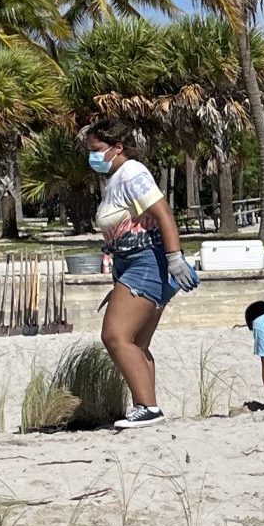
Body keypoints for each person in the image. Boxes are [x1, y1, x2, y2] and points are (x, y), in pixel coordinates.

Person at [79, 118, 200, 429]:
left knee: (115, 336)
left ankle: (147, 407)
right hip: (129, 264)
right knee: (137, 342)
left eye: (96, 150)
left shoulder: (132, 172)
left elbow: (163, 214)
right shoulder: (115, 179)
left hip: (145, 262)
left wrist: (175, 258)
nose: (92, 156)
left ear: (117, 148)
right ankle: (146, 408)